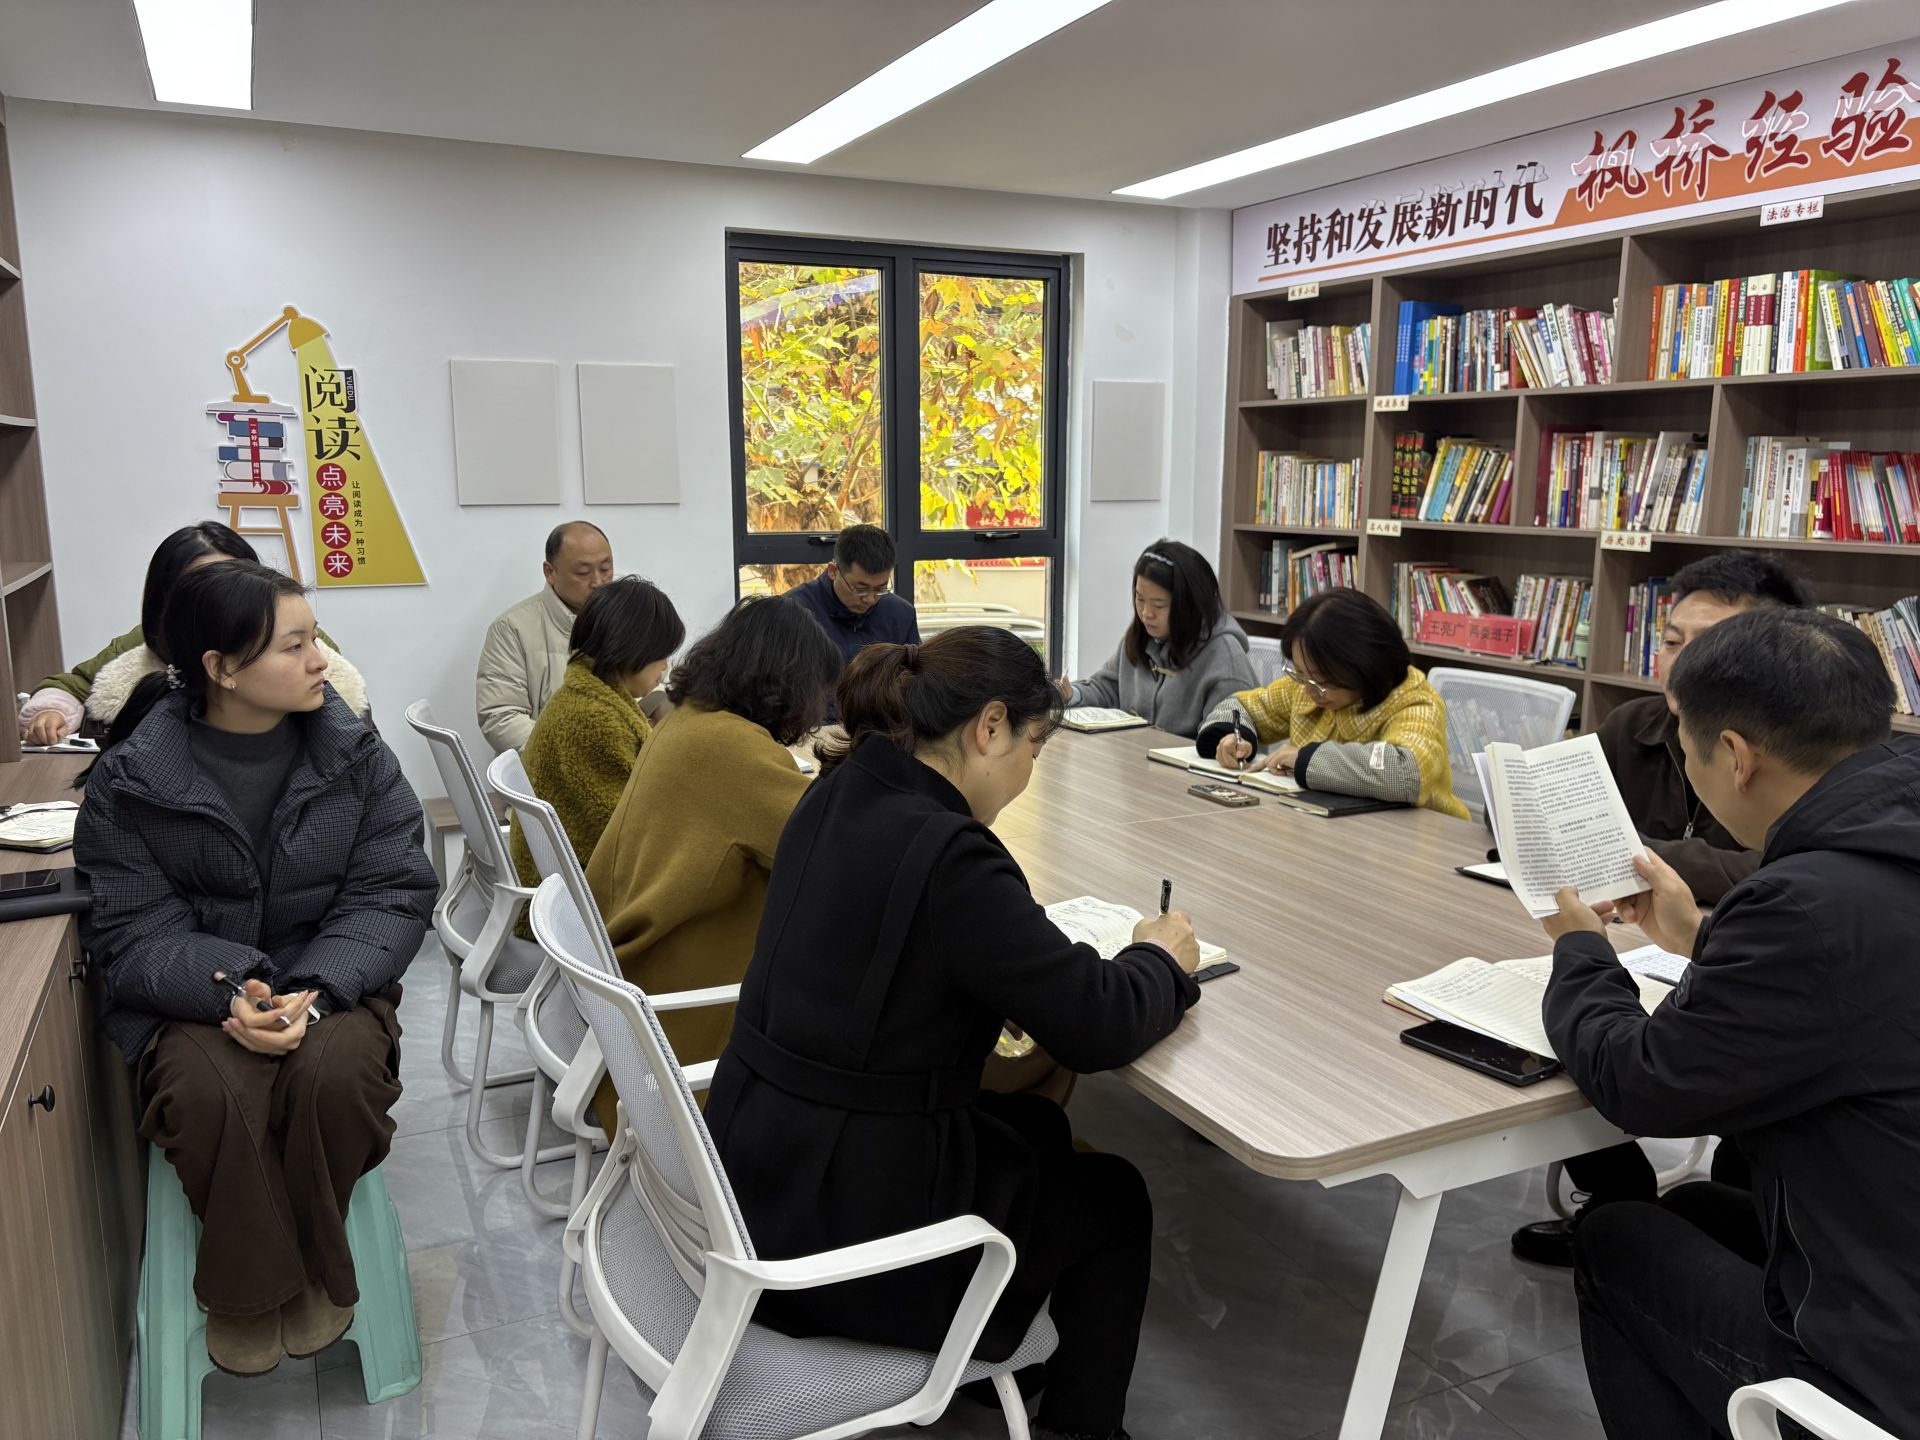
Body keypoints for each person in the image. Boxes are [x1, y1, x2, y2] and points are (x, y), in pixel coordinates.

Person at [707, 627, 1202, 1440]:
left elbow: (877, 957)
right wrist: (1160, 959)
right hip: (839, 1237)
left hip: (759, 1171)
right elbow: (1098, 1026)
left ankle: (999, 1368)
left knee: (1037, 1127)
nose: (1030, 772)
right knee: (1115, 1196)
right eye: (1034, 748)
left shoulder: (840, 789)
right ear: (990, 727)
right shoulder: (952, 854)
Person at [1538, 607, 1919, 1440]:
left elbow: (1643, 1085)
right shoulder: (1883, 847)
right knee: (1701, 1207)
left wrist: (1580, 951)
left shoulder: (1803, 903)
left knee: (1613, 1238)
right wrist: (1695, 938)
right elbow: (1851, 992)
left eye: (1688, 745)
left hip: (1883, 1376)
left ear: (1738, 757)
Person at [74, 561, 436, 1378]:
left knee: (336, 1077)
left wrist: (317, 991)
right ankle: (268, 1289)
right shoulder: (133, 779)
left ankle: (281, 1281)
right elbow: (132, 928)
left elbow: (392, 888)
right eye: (294, 645)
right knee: (210, 1094)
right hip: (194, 999)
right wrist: (233, 990)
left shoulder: (355, 753)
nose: (320, 659)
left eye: (315, 639)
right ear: (222, 668)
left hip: (333, 983)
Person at [1511, 550, 1808, 1266]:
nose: (1681, 663)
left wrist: (1635, 856)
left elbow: (1771, 870)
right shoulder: (1636, 725)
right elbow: (1543, 812)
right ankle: (1621, 1195)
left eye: (1710, 647)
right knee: (1542, 1020)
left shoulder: (1790, 773)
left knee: (1595, 1027)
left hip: (1705, 969)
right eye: (1672, 640)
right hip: (1656, 941)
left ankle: (1696, 1238)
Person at [584, 597, 840, 1120]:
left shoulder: (689, 720)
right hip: (675, 1029)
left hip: (629, 996)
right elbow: (835, 856)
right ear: (791, 684)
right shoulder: (732, 748)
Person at [19, 522, 368, 743]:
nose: (315, 661)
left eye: (235, 578)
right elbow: (72, 685)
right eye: (202, 585)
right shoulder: (139, 650)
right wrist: (53, 711)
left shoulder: (310, 650)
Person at [1195, 587, 1469, 819]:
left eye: (1323, 678)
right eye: (1300, 673)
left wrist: (1305, 759)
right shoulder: (1305, 687)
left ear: (1365, 665)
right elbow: (1241, 706)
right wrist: (1235, 737)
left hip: (1417, 842)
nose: (1310, 689)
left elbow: (1405, 773)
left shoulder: (1414, 702)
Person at [507, 575, 684, 906]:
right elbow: (628, 833)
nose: (665, 667)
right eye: (661, 655)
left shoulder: (584, 698)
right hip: (575, 904)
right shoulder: (594, 720)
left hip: (563, 886)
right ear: (633, 650)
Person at [1060, 540, 1257, 738]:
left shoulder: (1225, 659)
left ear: (1189, 604)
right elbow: (1106, 688)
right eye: (1140, 599)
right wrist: (1070, 694)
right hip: (1134, 753)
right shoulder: (1142, 636)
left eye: (1159, 605)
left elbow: (1225, 741)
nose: (1146, 613)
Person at [477, 520, 622, 753]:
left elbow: (661, 685)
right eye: (583, 572)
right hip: (550, 768)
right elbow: (501, 718)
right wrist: (575, 751)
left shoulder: (629, 619)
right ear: (550, 572)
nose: (598, 582)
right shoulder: (511, 629)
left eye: (606, 569)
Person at [783, 523, 920, 719]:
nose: (870, 599)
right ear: (833, 571)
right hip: (813, 727)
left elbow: (914, 685)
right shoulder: (794, 613)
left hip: (882, 727)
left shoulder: (901, 614)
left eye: (880, 588)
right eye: (860, 588)